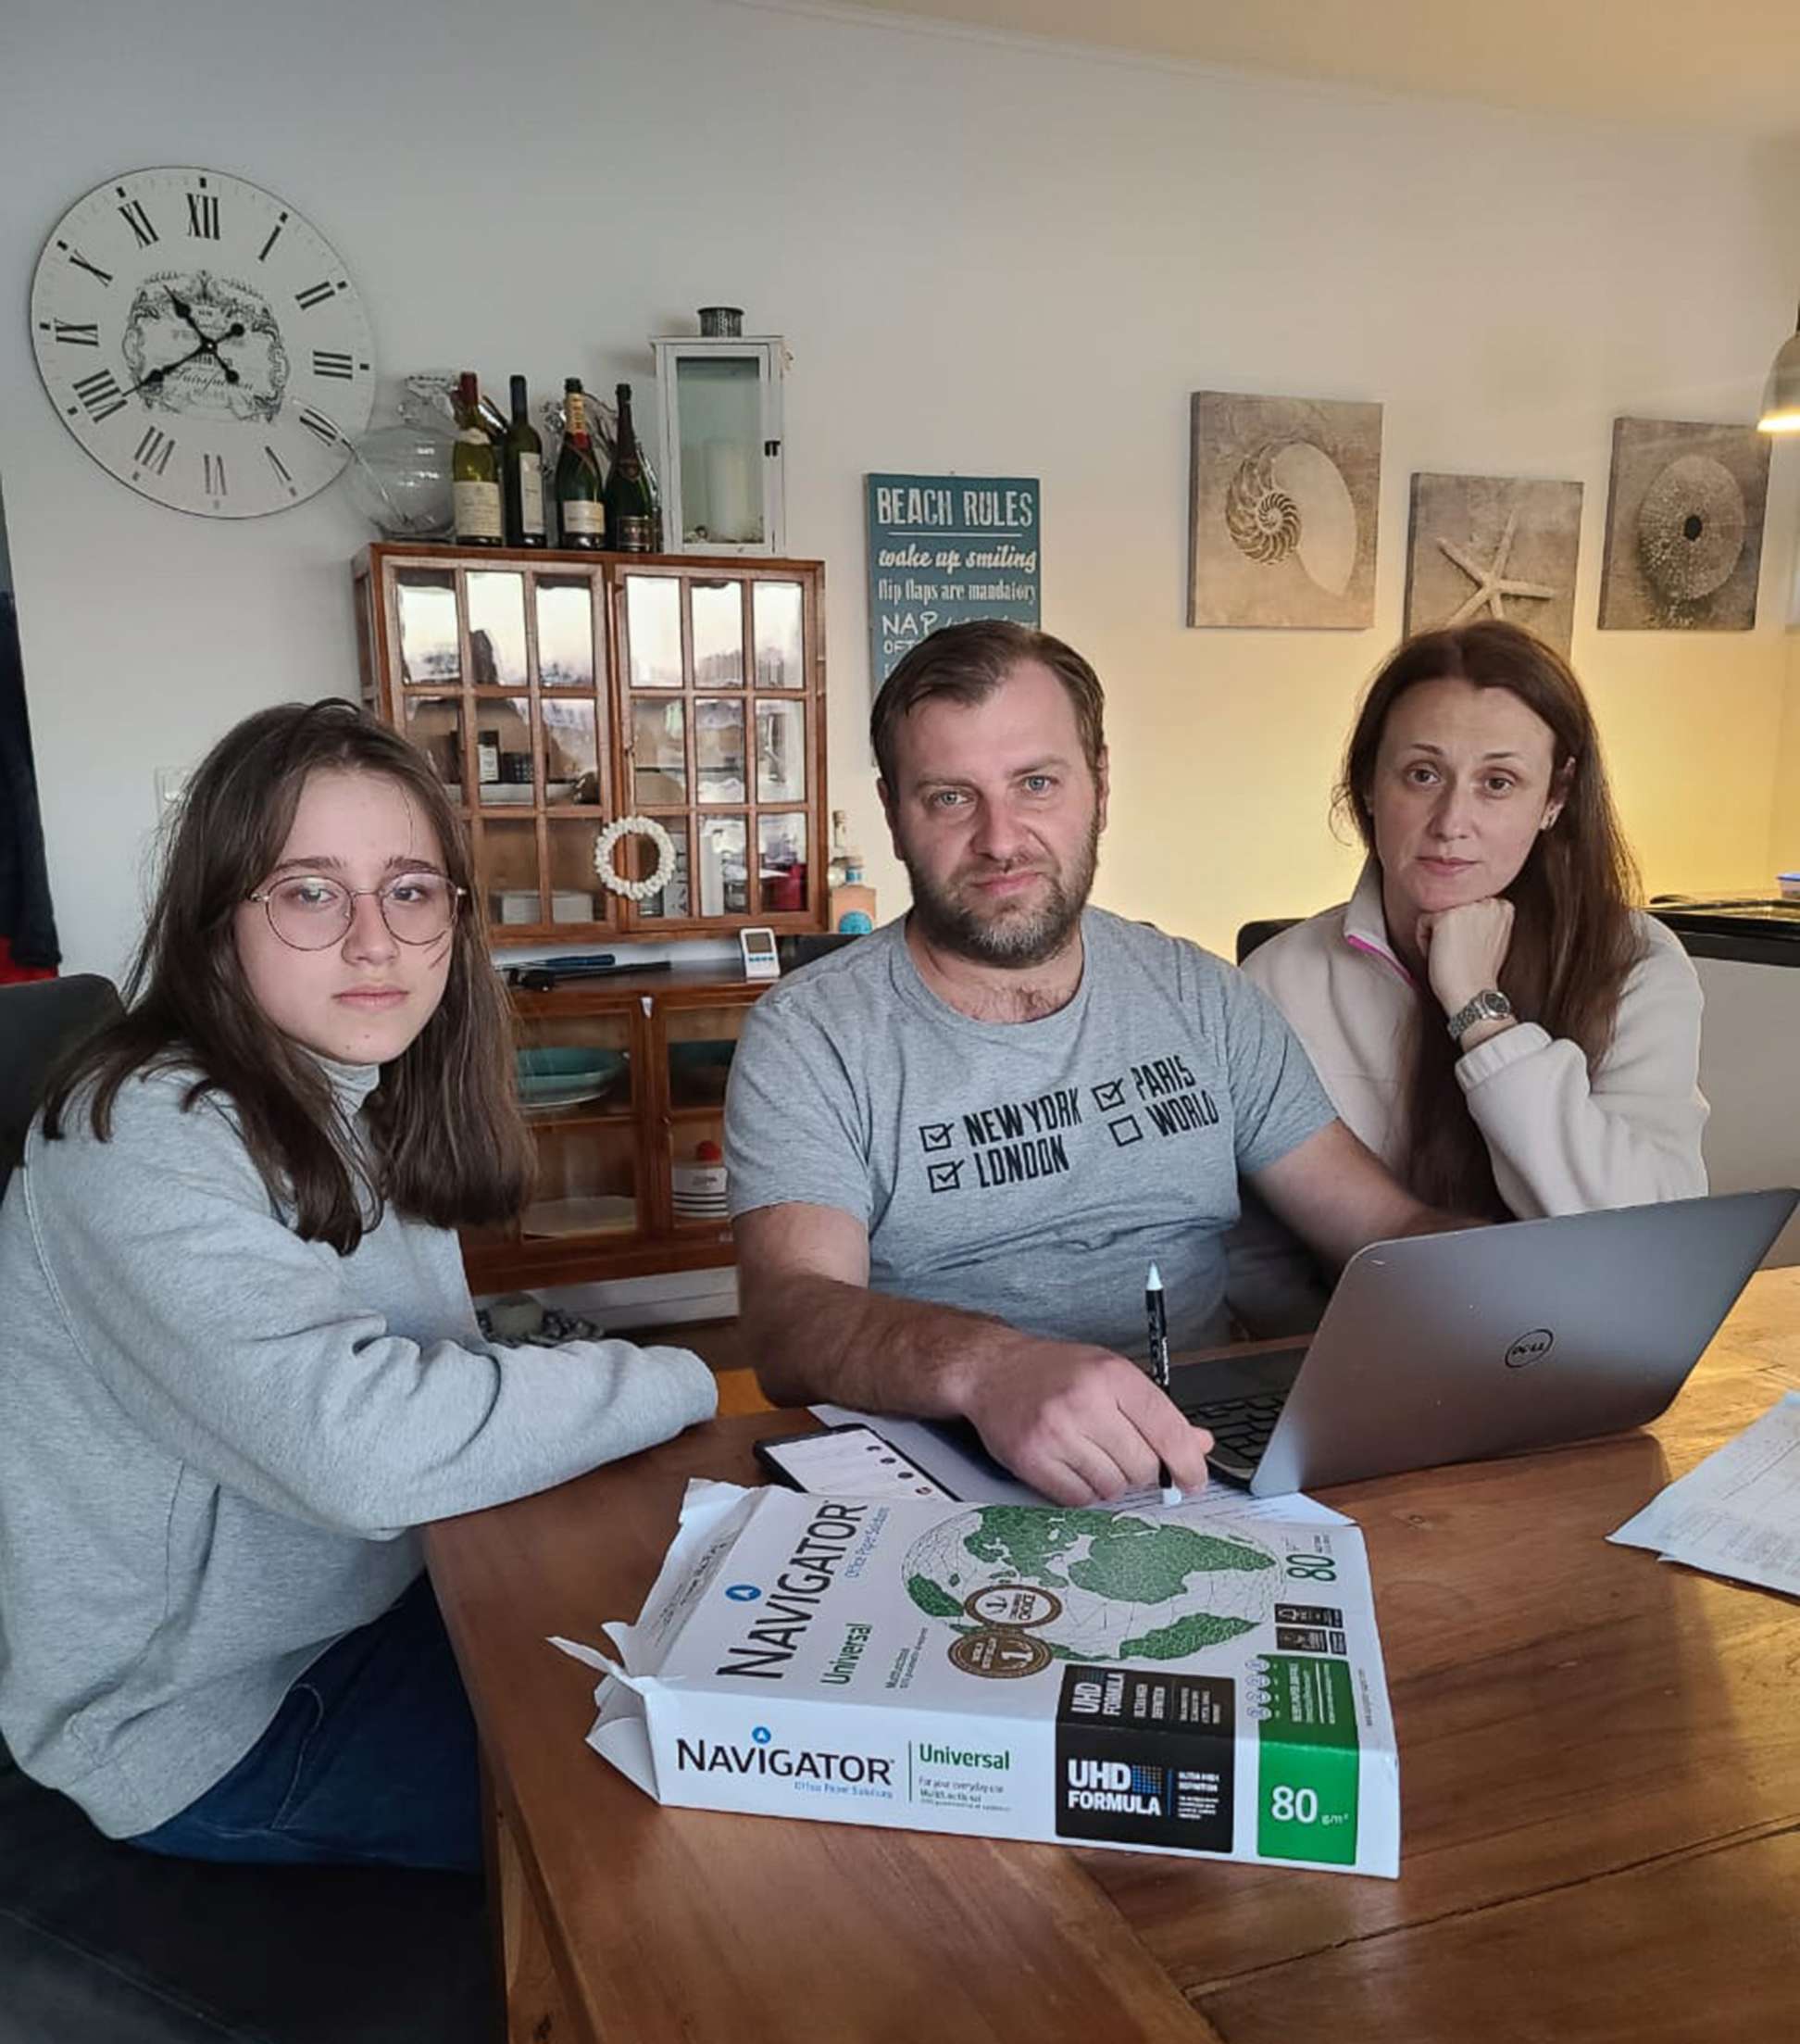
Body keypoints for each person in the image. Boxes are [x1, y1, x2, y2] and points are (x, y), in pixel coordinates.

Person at [0, 699, 715, 1873]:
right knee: (703, 1810)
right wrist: (678, 1373)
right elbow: (366, 1448)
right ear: (216, 919)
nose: (376, 941)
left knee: (734, 1671)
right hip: (212, 1720)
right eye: (310, 891)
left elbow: (418, 1376)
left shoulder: (350, 1090)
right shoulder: (136, 1139)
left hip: (384, 1610)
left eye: (412, 890)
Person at [724, 621, 1468, 1508]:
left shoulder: (1201, 996)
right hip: (936, 1472)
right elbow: (790, 1318)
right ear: (893, 813)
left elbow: (1380, 1228)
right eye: (950, 798)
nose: (1002, 839)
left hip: (1199, 1459)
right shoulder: (813, 1035)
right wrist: (992, 1371)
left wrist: (1533, 1299)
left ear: (1100, 787)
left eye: (1036, 783)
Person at [1235, 624, 1706, 1322]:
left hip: (1592, 1357)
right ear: (1368, 783)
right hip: (1357, 1370)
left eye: (1498, 783)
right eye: (1422, 775)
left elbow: (1648, 1242)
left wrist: (1482, 1017)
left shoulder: (1635, 962)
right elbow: (1250, 1262)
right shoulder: (1278, 982)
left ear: (1555, 798)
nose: (1452, 821)